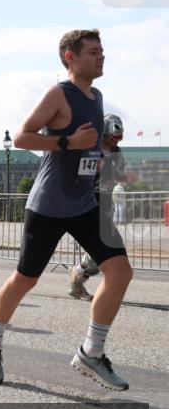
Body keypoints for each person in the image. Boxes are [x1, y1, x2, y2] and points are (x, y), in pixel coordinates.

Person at [0, 29, 132, 391]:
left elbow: (89, 150)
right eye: (94, 51)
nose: (101, 56)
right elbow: (21, 138)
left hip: (83, 204)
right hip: (48, 205)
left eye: (102, 51)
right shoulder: (57, 94)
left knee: (120, 271)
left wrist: (95, 159)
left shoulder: (97, 96)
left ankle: (91, 351)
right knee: (25, 280)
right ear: (70, 57)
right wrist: (68, 141)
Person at [69, 113, 126, 300]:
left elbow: (119, 174)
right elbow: (82, 172)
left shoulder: (117, 152)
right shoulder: (92, 149)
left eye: (118, 139)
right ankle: (80, 275)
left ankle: (78, 277)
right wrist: (99, 166)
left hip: (106, 202)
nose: (115, 142)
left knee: (105, 248)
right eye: (112, 138)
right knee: (106, 247)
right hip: (88, 202)